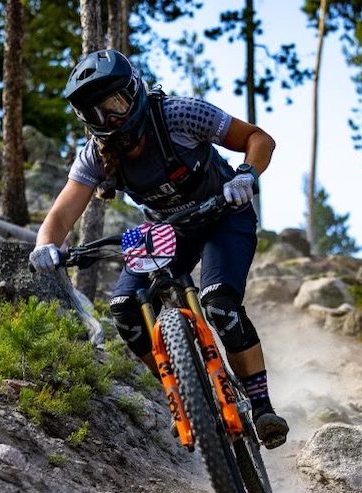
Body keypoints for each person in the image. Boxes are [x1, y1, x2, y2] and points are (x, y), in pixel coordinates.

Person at [28, 49, 288, 449]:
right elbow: (61, 215)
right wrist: (46, 246)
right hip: (168, 229)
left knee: (219, 303)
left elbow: (259, 139)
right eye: (95, 113)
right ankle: (184, 395)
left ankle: (261, 406)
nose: (109, 120)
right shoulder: (97, 155)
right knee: (125, 310)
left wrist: (246, 176)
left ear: (134, 92)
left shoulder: (179, 115)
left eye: (114, 105)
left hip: (224, 213)